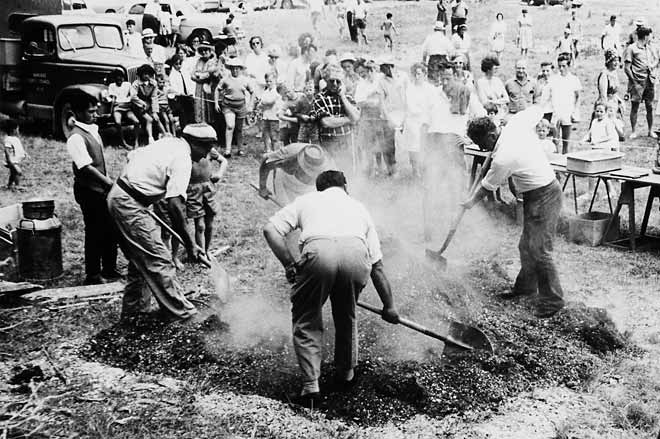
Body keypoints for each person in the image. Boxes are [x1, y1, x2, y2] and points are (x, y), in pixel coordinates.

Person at [262, 170, 400, 406]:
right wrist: (389, 306)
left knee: (307, 318)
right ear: (346, 186)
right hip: (356, 255)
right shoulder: (359, 207)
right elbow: (377, 266)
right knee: (347, 314)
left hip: (318, 254)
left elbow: (270, 229)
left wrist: (289, 264)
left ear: (319, 188)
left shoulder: (307, 200)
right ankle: (346, 376)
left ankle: (311, 388)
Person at [462, 108, 565, 319]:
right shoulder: (514, 124)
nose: (483, 150)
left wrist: (470, 202)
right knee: (526, 245)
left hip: (545, 194)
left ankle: (553, 301)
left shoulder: (503, 157)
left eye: (484, 145)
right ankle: (526, 287)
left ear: (491, 135)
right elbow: (539, 109)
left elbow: (487, 186)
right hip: (533, 194)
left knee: (540, 249)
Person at [107, 123, 216, 322]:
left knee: (141, 261)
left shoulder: (169, 143)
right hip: (129, 202)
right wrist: (190, 244)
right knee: (159, 260)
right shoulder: (183, 160)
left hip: (124, 195)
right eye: (206, 146)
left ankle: (134, 315)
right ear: (193, 142)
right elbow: (175, 206)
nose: (208, 152)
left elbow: (132, 156)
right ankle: (186, 317)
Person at [66, 93, 119, 285]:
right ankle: (93, 274)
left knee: (111, 228)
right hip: (89, 190)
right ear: (78, 113)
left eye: (96, 109)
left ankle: (110, 268)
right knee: (95, 231)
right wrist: (107, 182)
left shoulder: (92, 129)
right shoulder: (75, 138)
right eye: (90, 111)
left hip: (101, 189)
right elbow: (86, 167)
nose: (95, 113)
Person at [311, 63, 361, 173]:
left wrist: (342, 97)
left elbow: (356, 117)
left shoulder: (347, 97)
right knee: (331, 173)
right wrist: (348, 120)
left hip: (346, 141)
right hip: (328, 142)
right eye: (331, 81)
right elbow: (326, 122)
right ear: (325, 80)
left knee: (348, 173)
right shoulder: (319, 98)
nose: (335, 84)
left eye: (338, 81)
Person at [258, 142, 334, 204]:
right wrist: (263, 188)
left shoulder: (329, 167)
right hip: (285, 183)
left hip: (307, 190)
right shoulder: (289, 153)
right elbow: (266, 162)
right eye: (306, 170)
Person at [187, 147, 227, 255]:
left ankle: (206, 250)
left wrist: (219, 174)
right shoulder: (187, 150)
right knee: (200, 225)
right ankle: (201, 254)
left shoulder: (208, 149)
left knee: (209, 224)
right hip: (193, 190)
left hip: (208, 189)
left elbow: (223, 161)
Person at [623, 26, 658, 139]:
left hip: (650, 81)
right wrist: (634, 82)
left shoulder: (649, 48)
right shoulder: (632, 48)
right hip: (637, 82)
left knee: (650, 106)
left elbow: (656, 59)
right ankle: (633, 131)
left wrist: (652, 67)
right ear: (646, 36)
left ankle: (650, 130)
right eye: (650, 35)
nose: (651, 37)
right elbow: (627, 68)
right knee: (635, 106)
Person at [216, 57, 253, 157]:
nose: (235, 70)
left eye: (237, 68)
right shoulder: (226, 80)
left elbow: (252, 92)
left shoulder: (245, 80)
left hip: (241, 106)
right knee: (230, 126)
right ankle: (228, 150)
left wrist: (250, 105)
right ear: (230, 69)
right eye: (233, 68)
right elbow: (217, 90)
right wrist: (216, 103)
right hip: (228, 106)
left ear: (240, 69)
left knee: (239, 128)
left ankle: (240, 149)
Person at [354, 59, 384, 177]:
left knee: (380, 143)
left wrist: (372, 99)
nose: (361, 75)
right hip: (367, 117)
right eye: (358, 73)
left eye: (362, 71)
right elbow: (359, 102)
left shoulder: (380, 78)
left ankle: (381, 168)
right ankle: (371, 169)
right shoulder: (361, 83)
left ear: (368, 69)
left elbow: (384, 97)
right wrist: (371, 99)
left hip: (380, 115)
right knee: (369, 144)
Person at [401, 62, 432, 178]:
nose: (417, 76)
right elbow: (410, 105)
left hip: (425, 120)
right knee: (413, 147)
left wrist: (426, 118)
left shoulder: (430, 89)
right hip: (412, 120)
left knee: (424, 146)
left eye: (419, 74)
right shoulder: (410, 88)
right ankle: (415, 170)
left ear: (424, 74)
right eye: (415, 74)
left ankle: (425, 169)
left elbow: (431, 106)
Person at [548, 52, 581, 153]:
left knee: (566, 141)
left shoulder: (574, 79)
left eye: (564, 66)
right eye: (560, 66)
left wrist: (575, 111)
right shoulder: (553, 79)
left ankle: (565, 158)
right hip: (556, 112)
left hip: (567, 112)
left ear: (569, 66)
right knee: (555, 140)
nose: (561, 69)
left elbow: (578, 96)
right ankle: (555, 159)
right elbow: (548, 96)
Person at [376, 56, 403, 176]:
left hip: (402, 114)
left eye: (389, 66)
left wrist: (405, 116)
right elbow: (381, 102)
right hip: (388, 116)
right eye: (384, 67)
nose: (387, 70)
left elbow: (405, 97)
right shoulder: (381, 81)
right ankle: (392, 169)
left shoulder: (401, 78)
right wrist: (388, 118)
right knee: (388, 145)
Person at [108, 69, 140, 148]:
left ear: (123, 78)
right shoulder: (112, 86)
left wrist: (128, 99)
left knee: (136, 121)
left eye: (121, 78)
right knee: (118, 122)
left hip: (127, 107)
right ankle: (122, 142)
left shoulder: (127, 84)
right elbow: (113, 98)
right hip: (118, 108)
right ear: (114, 79)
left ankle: (136, 141)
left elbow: (133, 94)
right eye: (117, 79)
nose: (119, 81)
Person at [131, 63, 159, 144]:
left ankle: (163, 135)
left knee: (156, 117)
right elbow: (133, 96)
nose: (147, 76)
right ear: (140, 74)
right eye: (145, 74)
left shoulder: (153, 83)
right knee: (149, 119)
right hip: (137, 106)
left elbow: (154, 97)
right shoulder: (136, 84)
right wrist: (142, 103)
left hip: (148, 105)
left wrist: (154, 111)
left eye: (149, 74)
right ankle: (150, 138)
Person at [168, 55, 196, 128]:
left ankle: (192, 128)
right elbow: (173, 88)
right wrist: (180, 93)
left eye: (180, 64)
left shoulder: (184, 72)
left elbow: (189, 83)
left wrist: (190, 93)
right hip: (180, 98)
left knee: (191, 112)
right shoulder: (172, 75)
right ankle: (184, 129)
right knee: (183, 114)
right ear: (173, 64)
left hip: (187, 96)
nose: (178, 66)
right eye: (176, 64)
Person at [259, 72, 283, 153]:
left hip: (274, 117)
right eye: (267, 81)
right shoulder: (265, 92)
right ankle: (268, 150)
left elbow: (270, 102)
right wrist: (264, 103)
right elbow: (261, 103)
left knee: (274, 136)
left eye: (270, 81)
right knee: (265, 134)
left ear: (275, 81)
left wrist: (265, 103)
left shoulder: (276, 92)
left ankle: (275, 151)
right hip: (266, 116)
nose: (268, 83)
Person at [597, 49, 623, 119]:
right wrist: (606, 109)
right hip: (606, 104)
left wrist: (619, 100)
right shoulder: (604, 75)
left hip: (614, 103)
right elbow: (603, 96)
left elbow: (614, 92)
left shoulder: (614, 73)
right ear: (609, 62)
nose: (616, 63)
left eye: (617, 60)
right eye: (614, 61)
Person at [3, 120, 27, 190]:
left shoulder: (16, 139)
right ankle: (17, 186)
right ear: (13, 130)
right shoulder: (8, 139)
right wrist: (9, 161)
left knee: (13, 173)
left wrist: (24, 153)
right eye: (17, 129)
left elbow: (18, 148)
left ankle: (9, 185)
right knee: (18, 172)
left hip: (15, 160)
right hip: (12, 161)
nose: (18, 131)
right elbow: (7, 151)